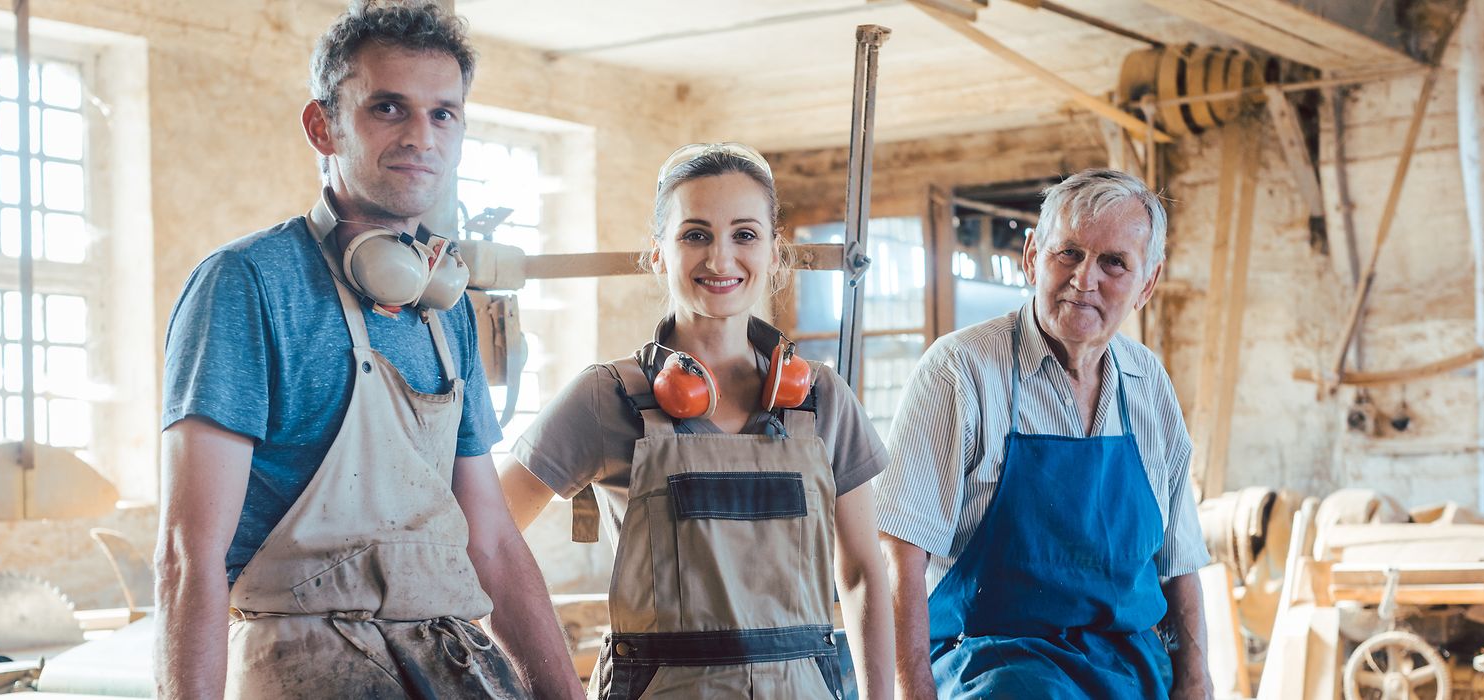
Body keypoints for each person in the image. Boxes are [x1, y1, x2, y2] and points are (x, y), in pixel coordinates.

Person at [154, 3, 583, 697]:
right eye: (388, 108)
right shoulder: (248, 284)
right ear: (322, 125)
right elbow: (188, 554)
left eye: (443, 114)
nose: (421, 136)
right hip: (307, 666)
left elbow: (495, 545)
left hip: (450, 663)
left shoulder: (448, 312)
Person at [496, 143, 896, 699]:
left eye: (745, 234)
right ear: (658, 253)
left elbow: (860, 574)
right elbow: (481, 538)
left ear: (775, 253)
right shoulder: (607, 397)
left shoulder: (822, 399)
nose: (721, 259)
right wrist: (555, 684)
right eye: (695, 234)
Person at [877, 168, 1213, 699]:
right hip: (996, 666)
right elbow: (900, 554)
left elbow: (1179, 563)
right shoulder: (961, 371)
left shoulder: (1149, 384)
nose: (1086, 279)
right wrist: (911, 694)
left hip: (1131, 670)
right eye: (1069, 253)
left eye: (1114, 263)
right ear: (1032, 256)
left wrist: (1196, 680)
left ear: (1147, 284)